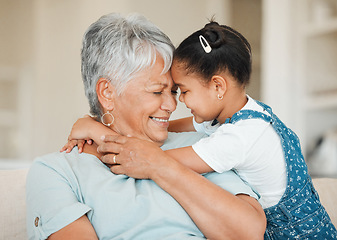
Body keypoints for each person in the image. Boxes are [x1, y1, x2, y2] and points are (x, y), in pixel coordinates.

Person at [63, 21, 337, 239]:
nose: (176, 102)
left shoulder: (235, 139)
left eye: (182, 91)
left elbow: (149, 159)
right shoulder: (244, 114)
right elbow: (166, 128)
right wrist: (124, 123)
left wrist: (97, 134)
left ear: (217, 87)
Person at [26, 13, 266, 240]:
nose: (172, 105)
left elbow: (248, 232)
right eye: (157, 91)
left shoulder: (201, 148)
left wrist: (159, 166)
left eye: (174, 91)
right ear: (107, 93)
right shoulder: (57, 171)